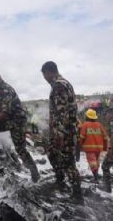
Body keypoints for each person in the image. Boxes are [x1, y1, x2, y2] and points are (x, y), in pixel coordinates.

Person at [0, 69, 40, 182]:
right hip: (11, 120)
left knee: (20, 149)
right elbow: (4, 103)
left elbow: (4, 114)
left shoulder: (5, 90)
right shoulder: (1, 89)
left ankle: (34, 173)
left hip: (16, 122)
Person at [41, 61, 83, 203]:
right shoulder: (63, 84)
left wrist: (60, 135)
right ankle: (60, 182)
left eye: (45, 75)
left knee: (68, 163)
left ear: (49, 72)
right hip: (62, 131)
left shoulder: (59, 85)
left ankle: (77, 195)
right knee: (52, 153)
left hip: (65, 132)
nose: (45, 79)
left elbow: (62, 113)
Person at [79, 109, 108, 182]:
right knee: (96, 162)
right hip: (99, 148)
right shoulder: (99, 125)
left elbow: (81, 137)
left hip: (89, 148)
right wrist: (105, 147)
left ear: (88, 117)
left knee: (92, 162)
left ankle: (96, 178)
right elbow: (105, 137)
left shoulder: (85, 124)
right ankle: (96, 176)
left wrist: (80, 146)